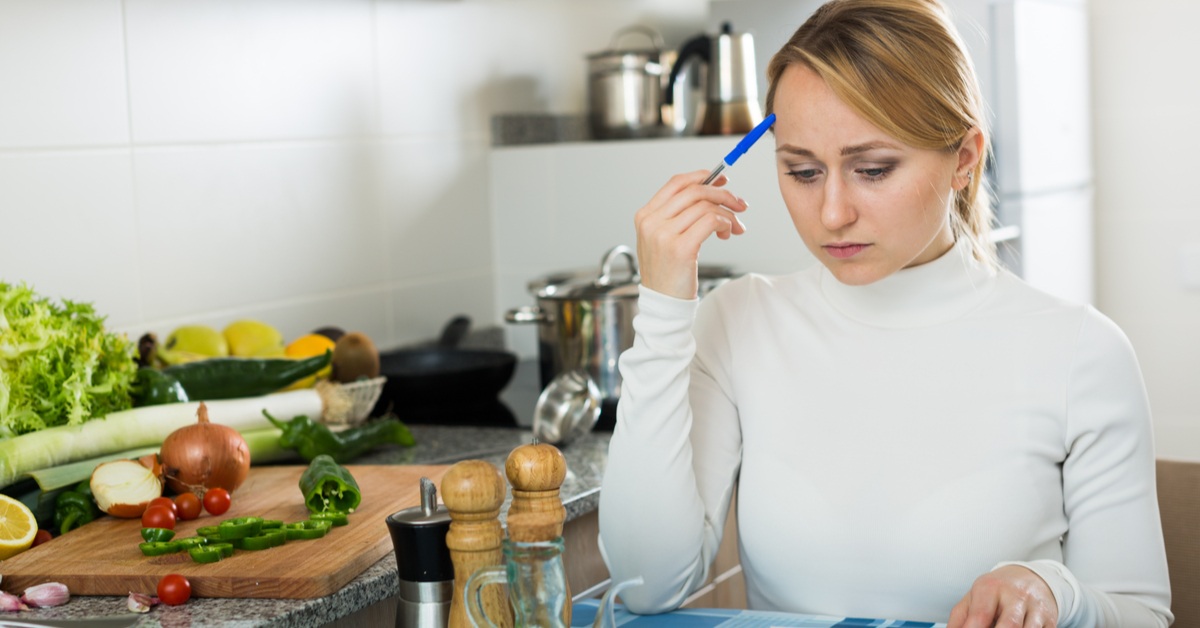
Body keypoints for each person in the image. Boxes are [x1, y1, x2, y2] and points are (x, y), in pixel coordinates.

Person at [596, 0, 1173, 625]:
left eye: (872, 169)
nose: (833, 212)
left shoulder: (1081, 352)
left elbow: (1141, 613)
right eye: (802, 171)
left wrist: (1057, 594)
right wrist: (661, 309)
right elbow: (643, 586)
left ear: (964, 158)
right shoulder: (738, 322)